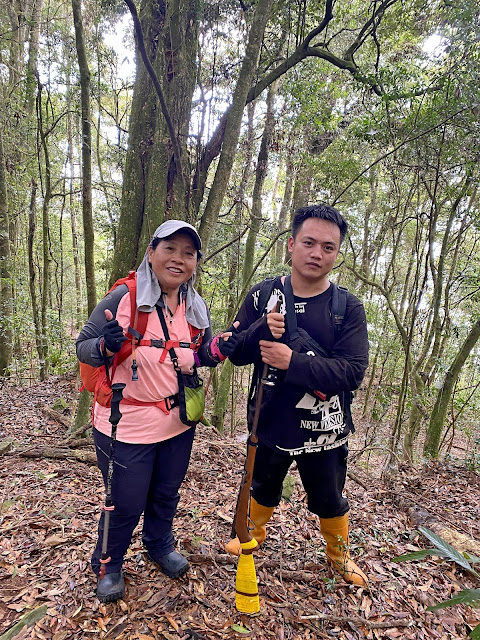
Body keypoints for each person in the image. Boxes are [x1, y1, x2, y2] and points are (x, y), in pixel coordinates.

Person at [77, 220, 235, 603]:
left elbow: (195, 354)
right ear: (151, 253)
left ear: (195, 262)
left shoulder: (194, 306)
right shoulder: (123, 298)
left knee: (166, 491)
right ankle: (109, 563)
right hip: (125, 424)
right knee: (126, 500)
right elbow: (84, 346)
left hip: (176, 422)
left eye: (188, 253)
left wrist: (217, 350)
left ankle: (158, 544)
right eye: (170, 249)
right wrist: (106, 346)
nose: (178, 259)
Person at [224, 204, 369, 586]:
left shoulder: (347, 308)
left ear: (337, 253)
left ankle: (338, 557)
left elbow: (353, 371)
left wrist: (293, 362)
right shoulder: (263, 295)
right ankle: (251, 538)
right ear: (291, 244)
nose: (317, 253)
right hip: (269, 420)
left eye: (328, 247)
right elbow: (233, 351)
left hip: (326, 427)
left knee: (329, 497)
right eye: (308, 242)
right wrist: (259, 330)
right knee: (262, 487)